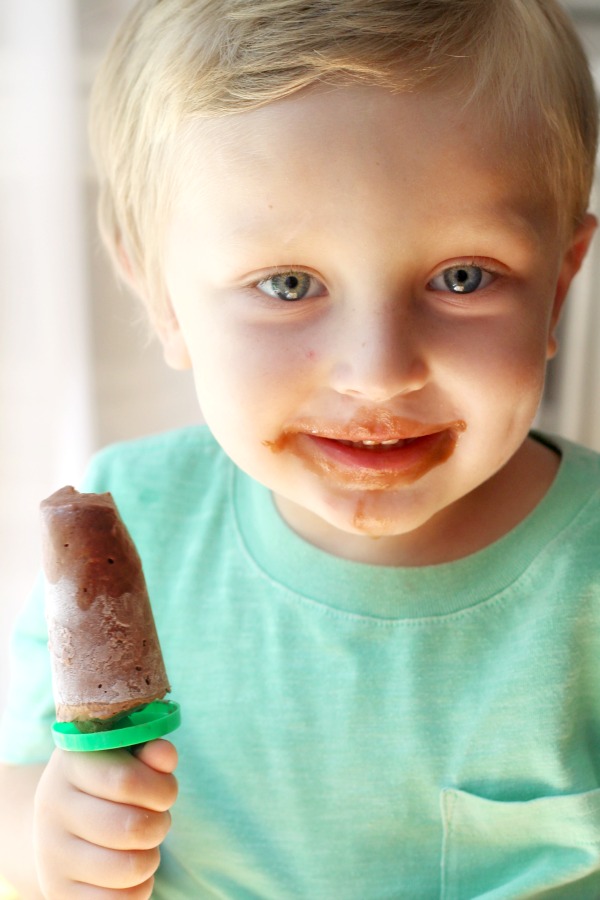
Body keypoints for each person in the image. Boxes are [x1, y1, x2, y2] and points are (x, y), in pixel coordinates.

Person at [1, 0, 599, 896]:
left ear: (557, 287)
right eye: (288, 284)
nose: (379, 371)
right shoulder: (142, 518)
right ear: (163, 300)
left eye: (462, 278)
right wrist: (53, 839)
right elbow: (20, 782)